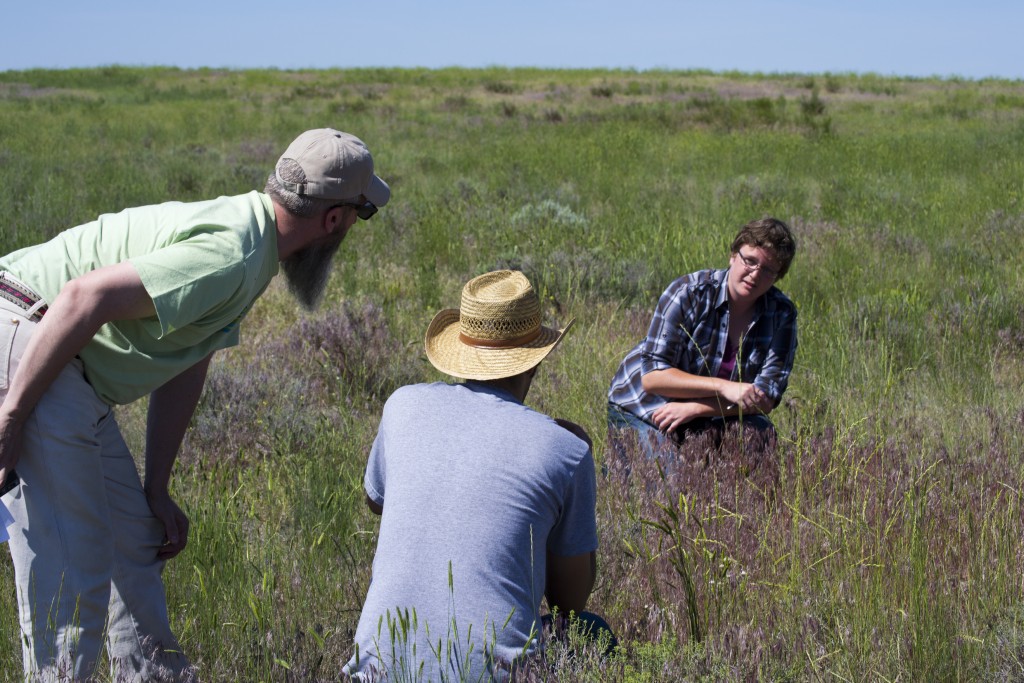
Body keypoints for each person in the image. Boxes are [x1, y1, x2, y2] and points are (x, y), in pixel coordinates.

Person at [0, 128, 390, 681]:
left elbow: (188, 355)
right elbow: (84, 297)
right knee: (74, 572)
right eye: (359, 215)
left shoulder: (253, 239)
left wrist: (156, 486)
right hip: (29, 340)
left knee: (132, 539)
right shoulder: (233, 253)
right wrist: (12, 416)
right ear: (333, 220)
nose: (353, 227)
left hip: (60, 362)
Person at [344, 270, 613, 681]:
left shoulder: (402, 406)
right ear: (536, 361)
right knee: (592, 633)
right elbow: (569, 604)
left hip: (375, 674)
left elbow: (375, 500)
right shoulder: (565, 449)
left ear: (460, 349)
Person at [607, 217, 798, 456]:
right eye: (750, 261)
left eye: (768, 270)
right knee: (668, 483)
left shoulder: (782, 314)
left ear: (777, 277)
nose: (755, 274)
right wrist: (724, 387)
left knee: (759, 439)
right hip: (646, 406)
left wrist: (696, 409)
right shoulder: (689, 293)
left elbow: (766, 397)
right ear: (733, 256)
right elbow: (653, 377)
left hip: (711, 413)